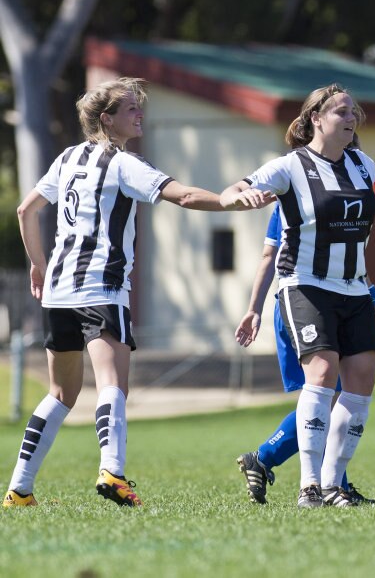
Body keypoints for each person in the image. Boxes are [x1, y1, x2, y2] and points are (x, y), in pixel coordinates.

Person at [2, 77, 271, 509]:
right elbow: (181, 195)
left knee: (60, 395)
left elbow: (25, 210)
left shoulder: (67, 158)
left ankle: (19, 489)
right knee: (112, 385)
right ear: (107, 119)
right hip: (101, 287)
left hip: (58, 290)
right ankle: (112, 471)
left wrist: (38, 262)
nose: (139, 114)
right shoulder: (123, 163)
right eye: (131, 109)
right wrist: (230, 200)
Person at [220, 83, 375, 509]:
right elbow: (237, 189)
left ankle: (332, 485)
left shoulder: (363, 164)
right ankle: (308, 487)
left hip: (354, 288)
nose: (351, 118)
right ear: (315, 119)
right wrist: (237, 196)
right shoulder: (290, 167)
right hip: (304, 285)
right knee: (323, 372)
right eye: (341, 111)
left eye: (354, 113)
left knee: (361, 376)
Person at [234, 201, 375, 506]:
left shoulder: (346, 189)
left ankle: (322, 480)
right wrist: (254, 309)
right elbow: (270, 255)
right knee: (325, 395)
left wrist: (374, 300)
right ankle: (271, 460)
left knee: (337, 397)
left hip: (341, 302)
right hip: (303, 305)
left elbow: (349, 260)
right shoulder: (296, 196)